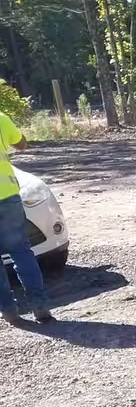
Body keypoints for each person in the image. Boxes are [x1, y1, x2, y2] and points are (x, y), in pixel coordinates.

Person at [0, 109, 54, 324]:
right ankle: (40, 306)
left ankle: (8, 311)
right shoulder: (2, 118)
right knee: (21, 252)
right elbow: (22, 144)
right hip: (7, 196)